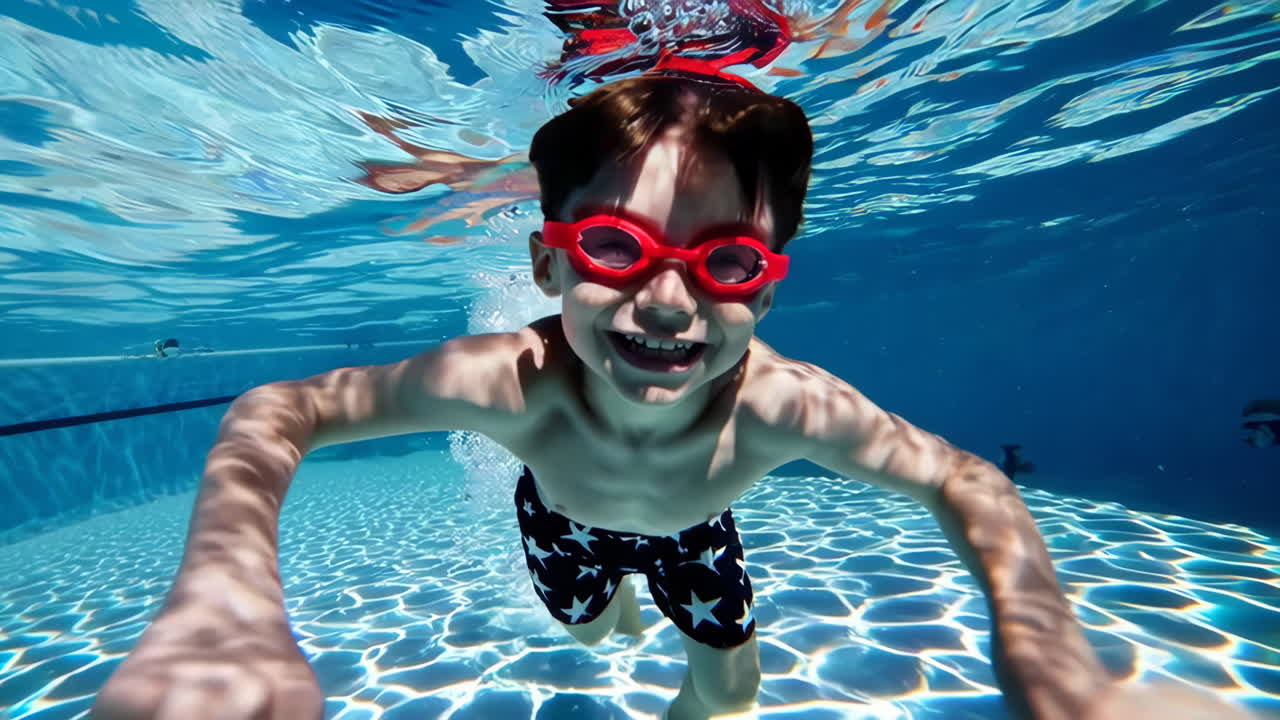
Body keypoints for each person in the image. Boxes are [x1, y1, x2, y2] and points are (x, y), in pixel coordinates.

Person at [92, 73, 1255, 720]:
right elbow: (275, 414)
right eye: (611, 249)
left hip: (698, 523)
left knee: (729, 684)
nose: (665, 303)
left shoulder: (784, 405)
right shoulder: (510, 382)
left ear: (769, 282)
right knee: (597, 630)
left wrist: (1048, 654)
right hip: (559, 520)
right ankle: (610, 610)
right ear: (548, 268)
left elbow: (962, 480)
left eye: (726, 263)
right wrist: (226, 603)